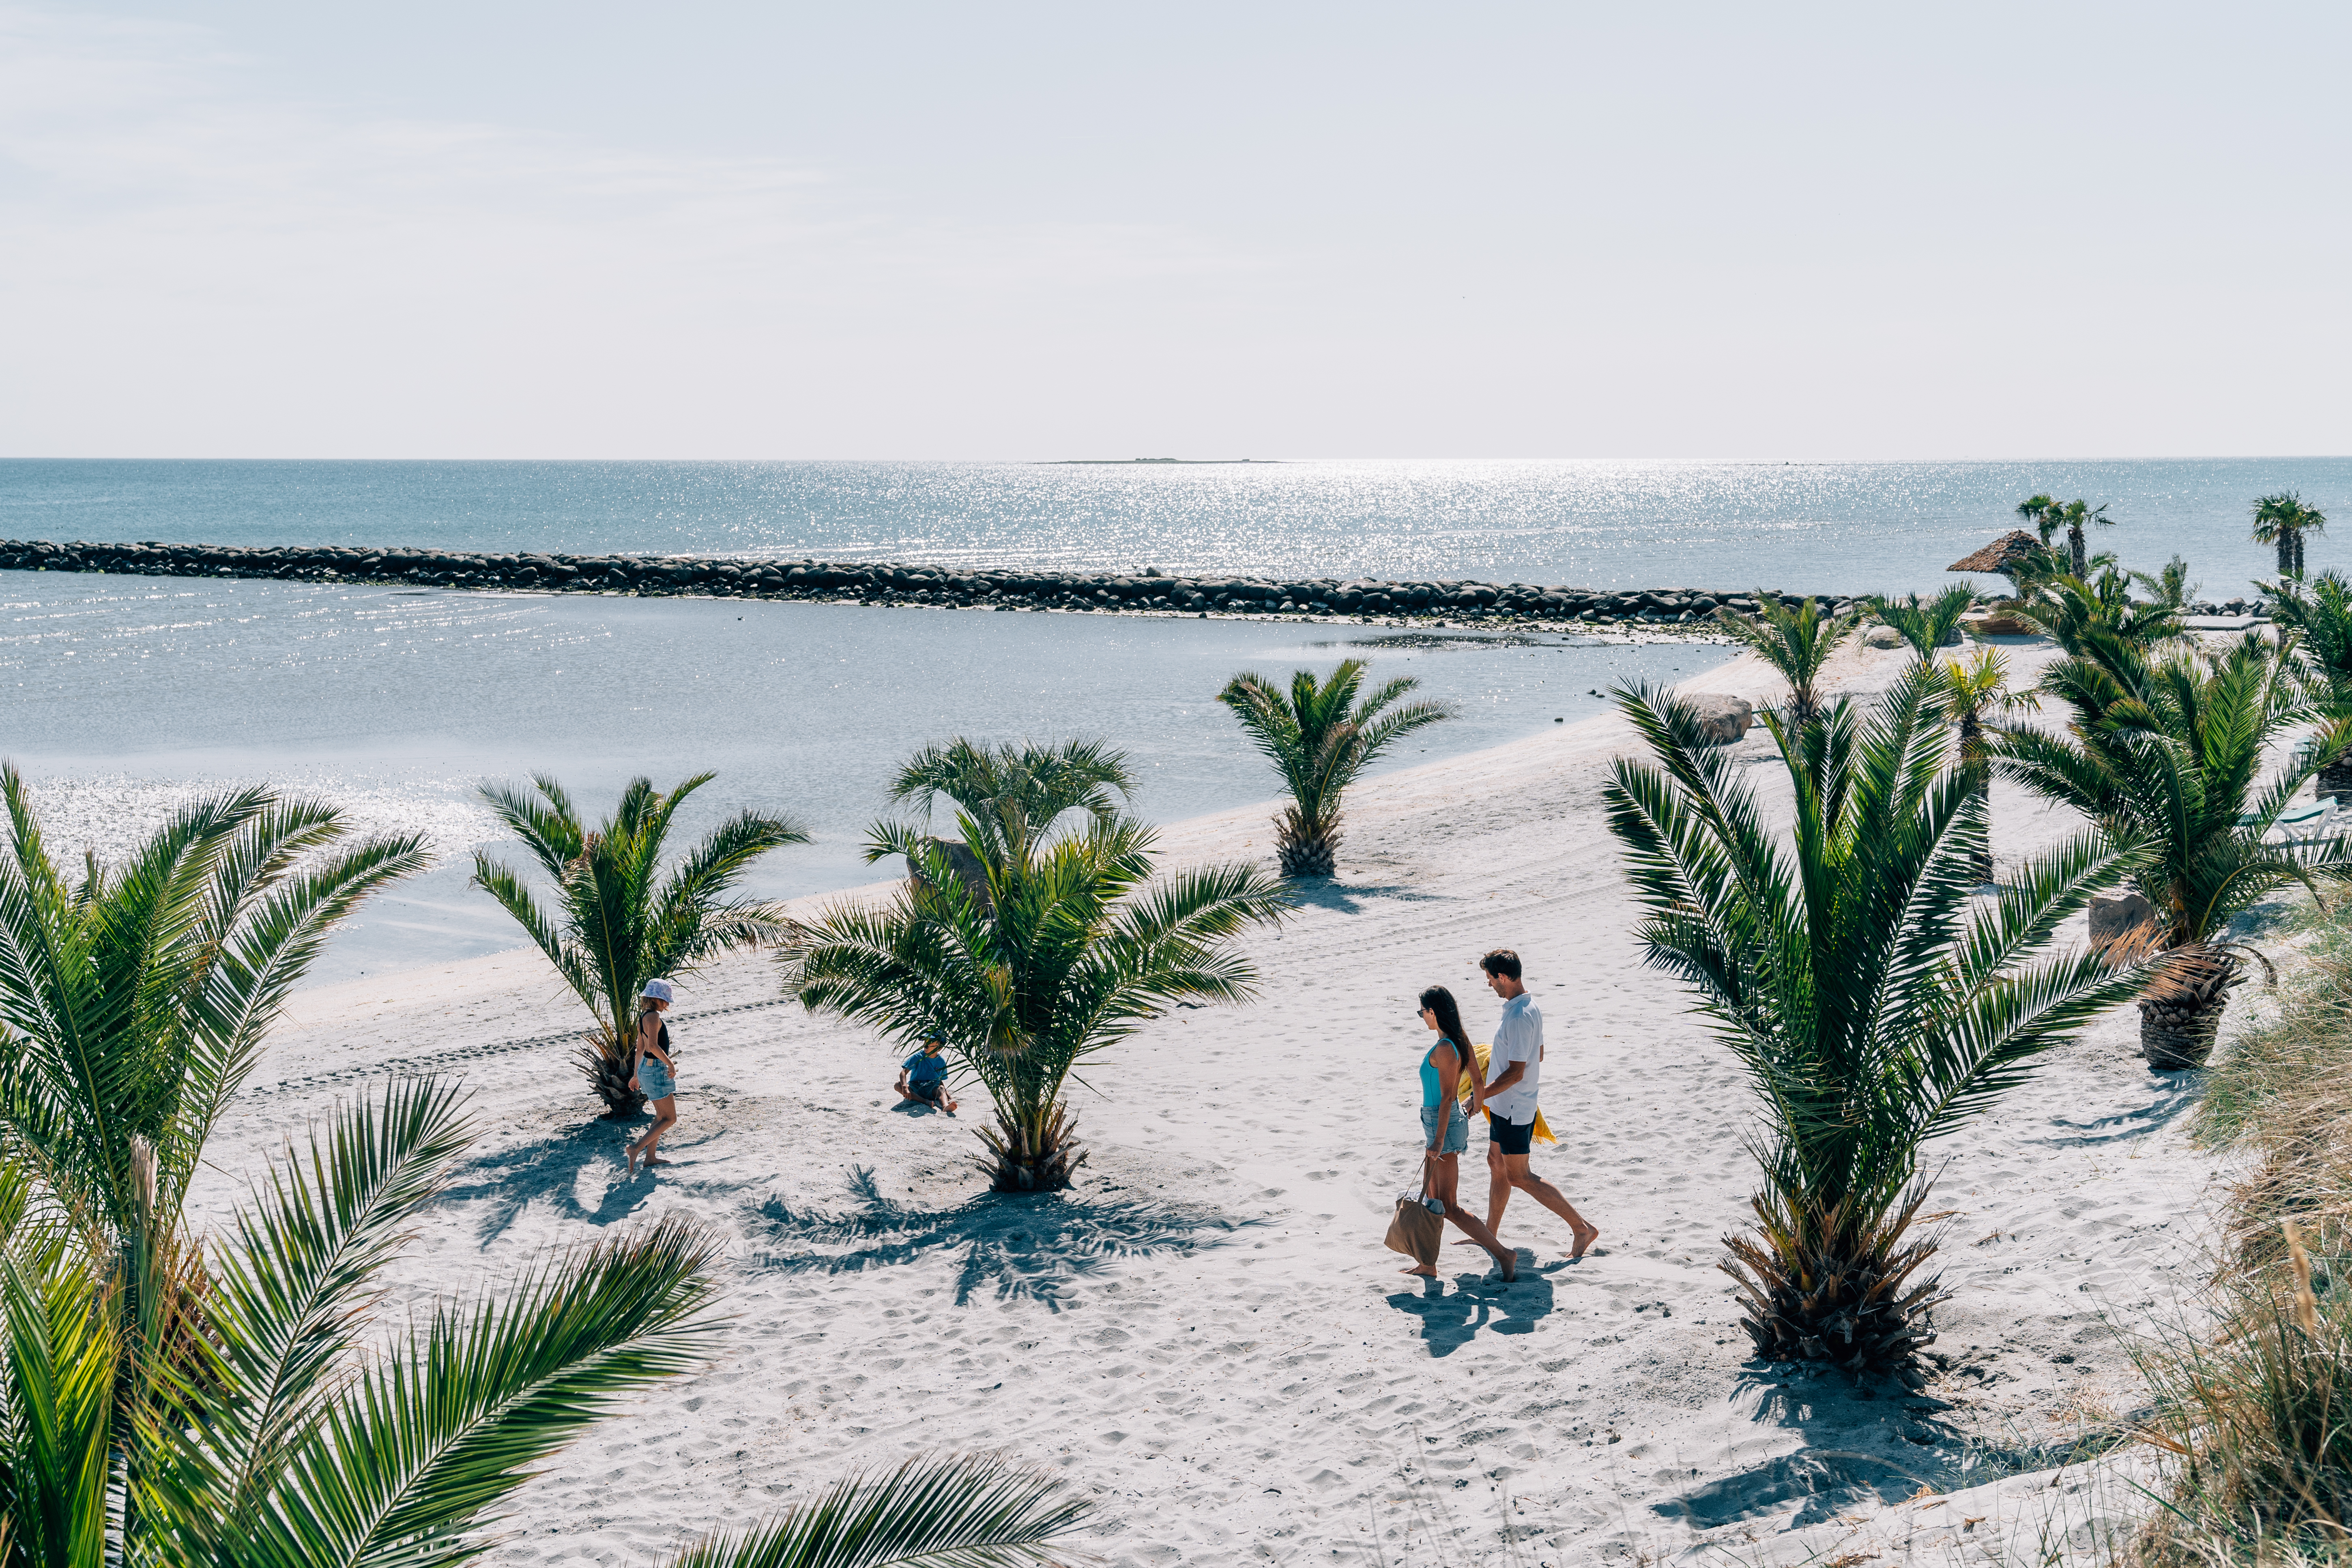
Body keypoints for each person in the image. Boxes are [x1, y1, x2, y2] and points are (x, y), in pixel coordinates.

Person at [1468, 949, 1599, 1260]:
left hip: (1514, 1108)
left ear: (1502, 977)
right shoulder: (1526, 1006)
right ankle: (1489, 1236)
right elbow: (1537, 1055)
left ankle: (1582, 1229)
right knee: (1495, 1164)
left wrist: (1480, 1095)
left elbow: (1517, 1071)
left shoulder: (1518, 1017)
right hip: (1505, 1105)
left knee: (1519, 1175)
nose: (1489, 986)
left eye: (1490, 979)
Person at [1408, 985, 1515, 1280]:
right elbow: (1479, 1085)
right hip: (1446, 1120)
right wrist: (1471, 1108)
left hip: (1440, 1122)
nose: (1422, 1018)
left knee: (1450, 1207)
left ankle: (1504, 1254)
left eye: (1422, 1013)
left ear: (1433, 1011)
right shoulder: (1460, 1041)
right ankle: (1427, 1264)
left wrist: (1439, 1139)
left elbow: (1445, 1097)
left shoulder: (1444, 1048)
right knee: (1432, 1200)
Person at [625, 979, 679, 1177]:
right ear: (657, 999)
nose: (667, 1005)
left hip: (647, 1070)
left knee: (660, 1117)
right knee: (670, 1118)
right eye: (665, 1001)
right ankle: (636, 1148)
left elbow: (640, 1048)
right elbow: (654, 1047)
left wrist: (636, 1075)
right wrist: (670, 1064)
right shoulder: (654, 1017)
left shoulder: (644, 1016)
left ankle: (651, 1158)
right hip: (656, 1069)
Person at [896, 1030, 958, 1114]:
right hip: (915, 1088)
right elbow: (903, 1072)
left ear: (939, 1047)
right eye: (926, 1041)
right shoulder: (918, 1057)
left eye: (931, 1042)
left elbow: (940, 1081)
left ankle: (945, 1106)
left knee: (941, 1089)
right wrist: (905, 1088)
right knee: (897, 1085)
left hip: (931, 1089)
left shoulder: (941, 1062)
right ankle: (925, 1102)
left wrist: (948, 1096)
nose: (926, 1044)